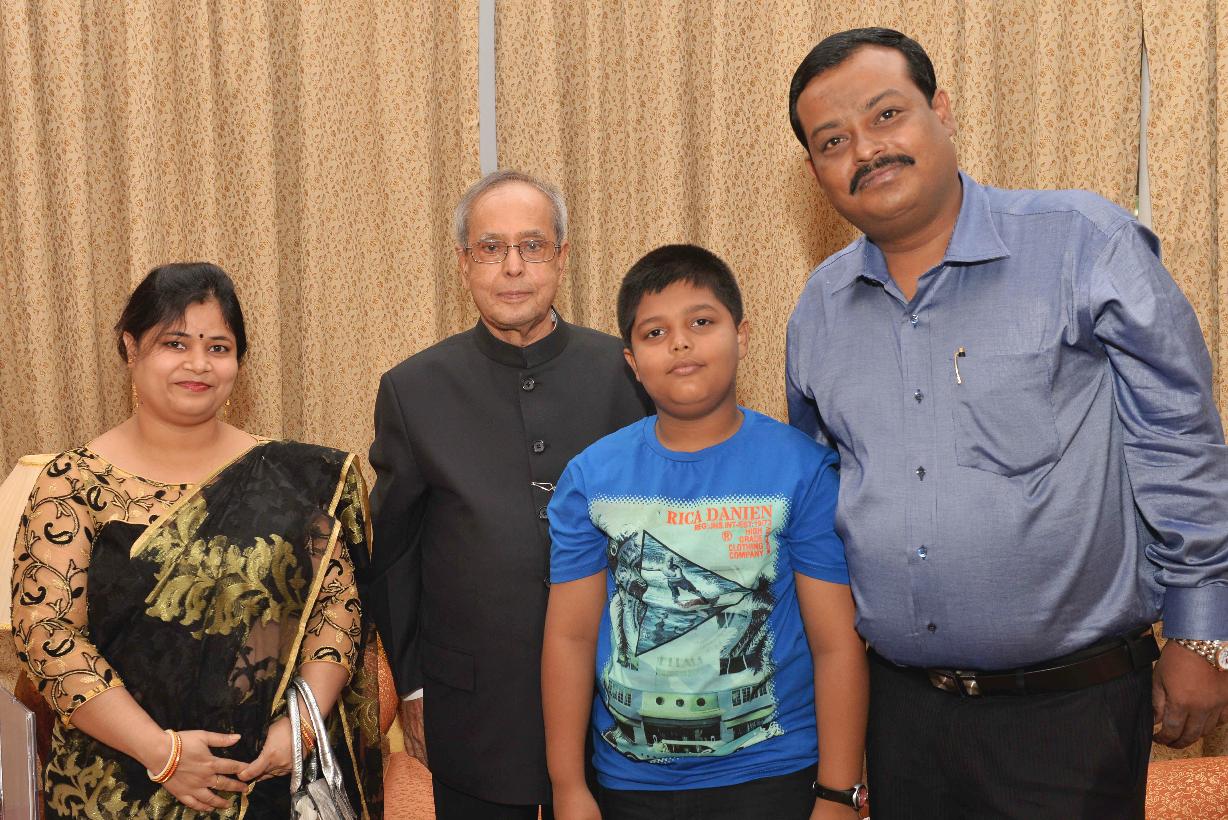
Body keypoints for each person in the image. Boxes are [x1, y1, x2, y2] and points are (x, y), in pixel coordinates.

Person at [785, 27, 1228, 819]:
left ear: (942, 110)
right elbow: (823, 501)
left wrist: (1202, 636)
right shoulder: (818, 310)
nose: (866, 150)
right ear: (816, 172)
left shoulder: (1082, 243)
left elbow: (1178, 440)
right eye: (833, 141)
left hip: (1070, 716)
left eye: (886, 115)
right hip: (901, 716)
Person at [9, 263, 382, 818]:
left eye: (218, 347)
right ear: (130, 348)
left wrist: (301, 729)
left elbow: (337, 610)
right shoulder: (73, 484)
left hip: (265, 779)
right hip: (114, 784)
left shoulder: (296, 480)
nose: (199, 364)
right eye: (175, 343)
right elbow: (47, 633)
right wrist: (161, 753)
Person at [360, 170, 652, 819]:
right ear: (464, 263)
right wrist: (413, 689)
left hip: (620, 700)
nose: (513, 267)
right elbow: (395, 555)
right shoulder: (414, 389)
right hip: (472, 708)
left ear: (562, 256)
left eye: (533, 246)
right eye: (491, 248)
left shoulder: (627, 373)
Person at [543, 244, 868, 820]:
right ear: (631, 360)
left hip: (774, 775)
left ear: (741, 335)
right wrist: (568, 786)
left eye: (701, 322)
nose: (680, 343)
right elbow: (570, 639)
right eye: (655, 332)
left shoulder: (803, 470)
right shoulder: (591, 478)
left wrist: (839, 793)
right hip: (630, 782)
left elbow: (836, 644)